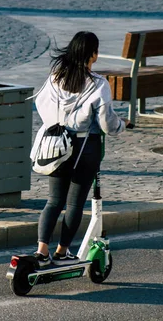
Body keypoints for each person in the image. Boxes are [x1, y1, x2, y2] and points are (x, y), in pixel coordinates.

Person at [32, 31, 130, 266]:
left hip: (56, 145)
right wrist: (123, 125)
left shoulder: (55, 77)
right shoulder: (99, 84)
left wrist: (58, 122)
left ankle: (41, 251)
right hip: (85, 148)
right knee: (74, 204)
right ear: (93, 55)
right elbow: (108, 124)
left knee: (54, 201)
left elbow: (39, 102)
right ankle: (62, 251)